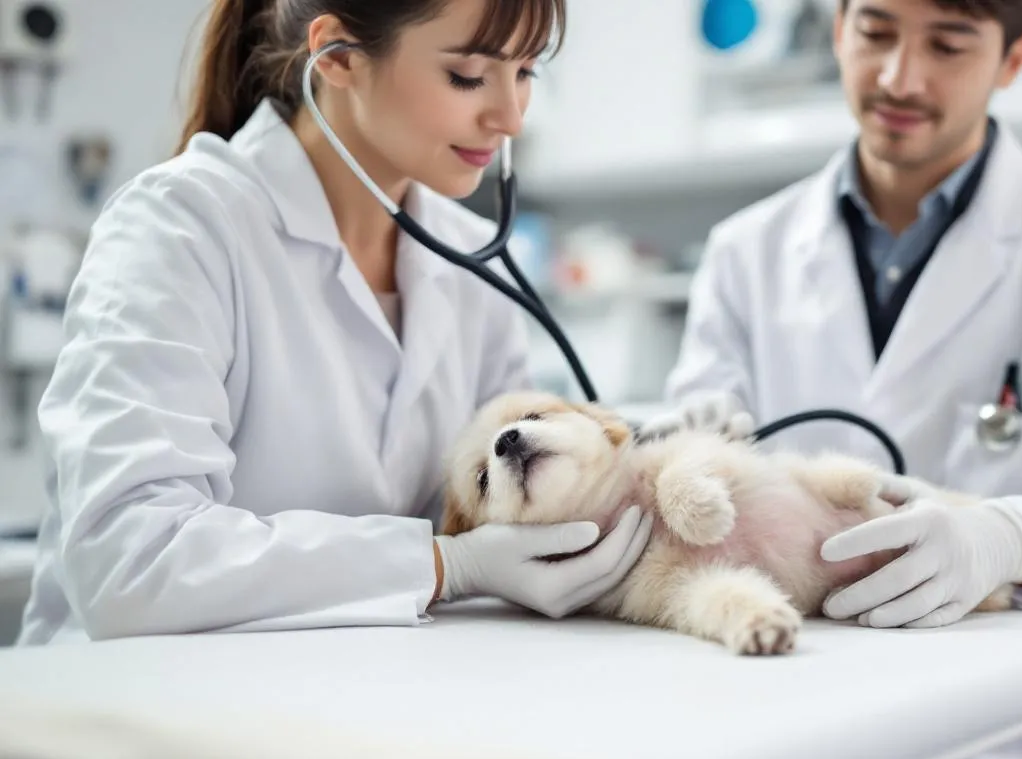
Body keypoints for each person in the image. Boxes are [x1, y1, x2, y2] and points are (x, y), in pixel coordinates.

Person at [654, 0, 1022, 759]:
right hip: (799, 710)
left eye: (949, 45)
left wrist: (1011, 539)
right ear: (838, 29)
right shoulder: (743, 252)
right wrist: (687, 448)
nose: (900, 76)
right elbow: (694, 484)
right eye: (876, 32)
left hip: (1018, 725)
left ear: (1013, 60)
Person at [17, 0, 656, 645]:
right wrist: (442, 565)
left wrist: (655, 454)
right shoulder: (180, 226)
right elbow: (130, 559)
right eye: (468, 75)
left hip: (353, 693)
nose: (511, 116)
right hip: (128, 713)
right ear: (341, 57)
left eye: (525, 73)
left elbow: (510, 502)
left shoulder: (467, 256)